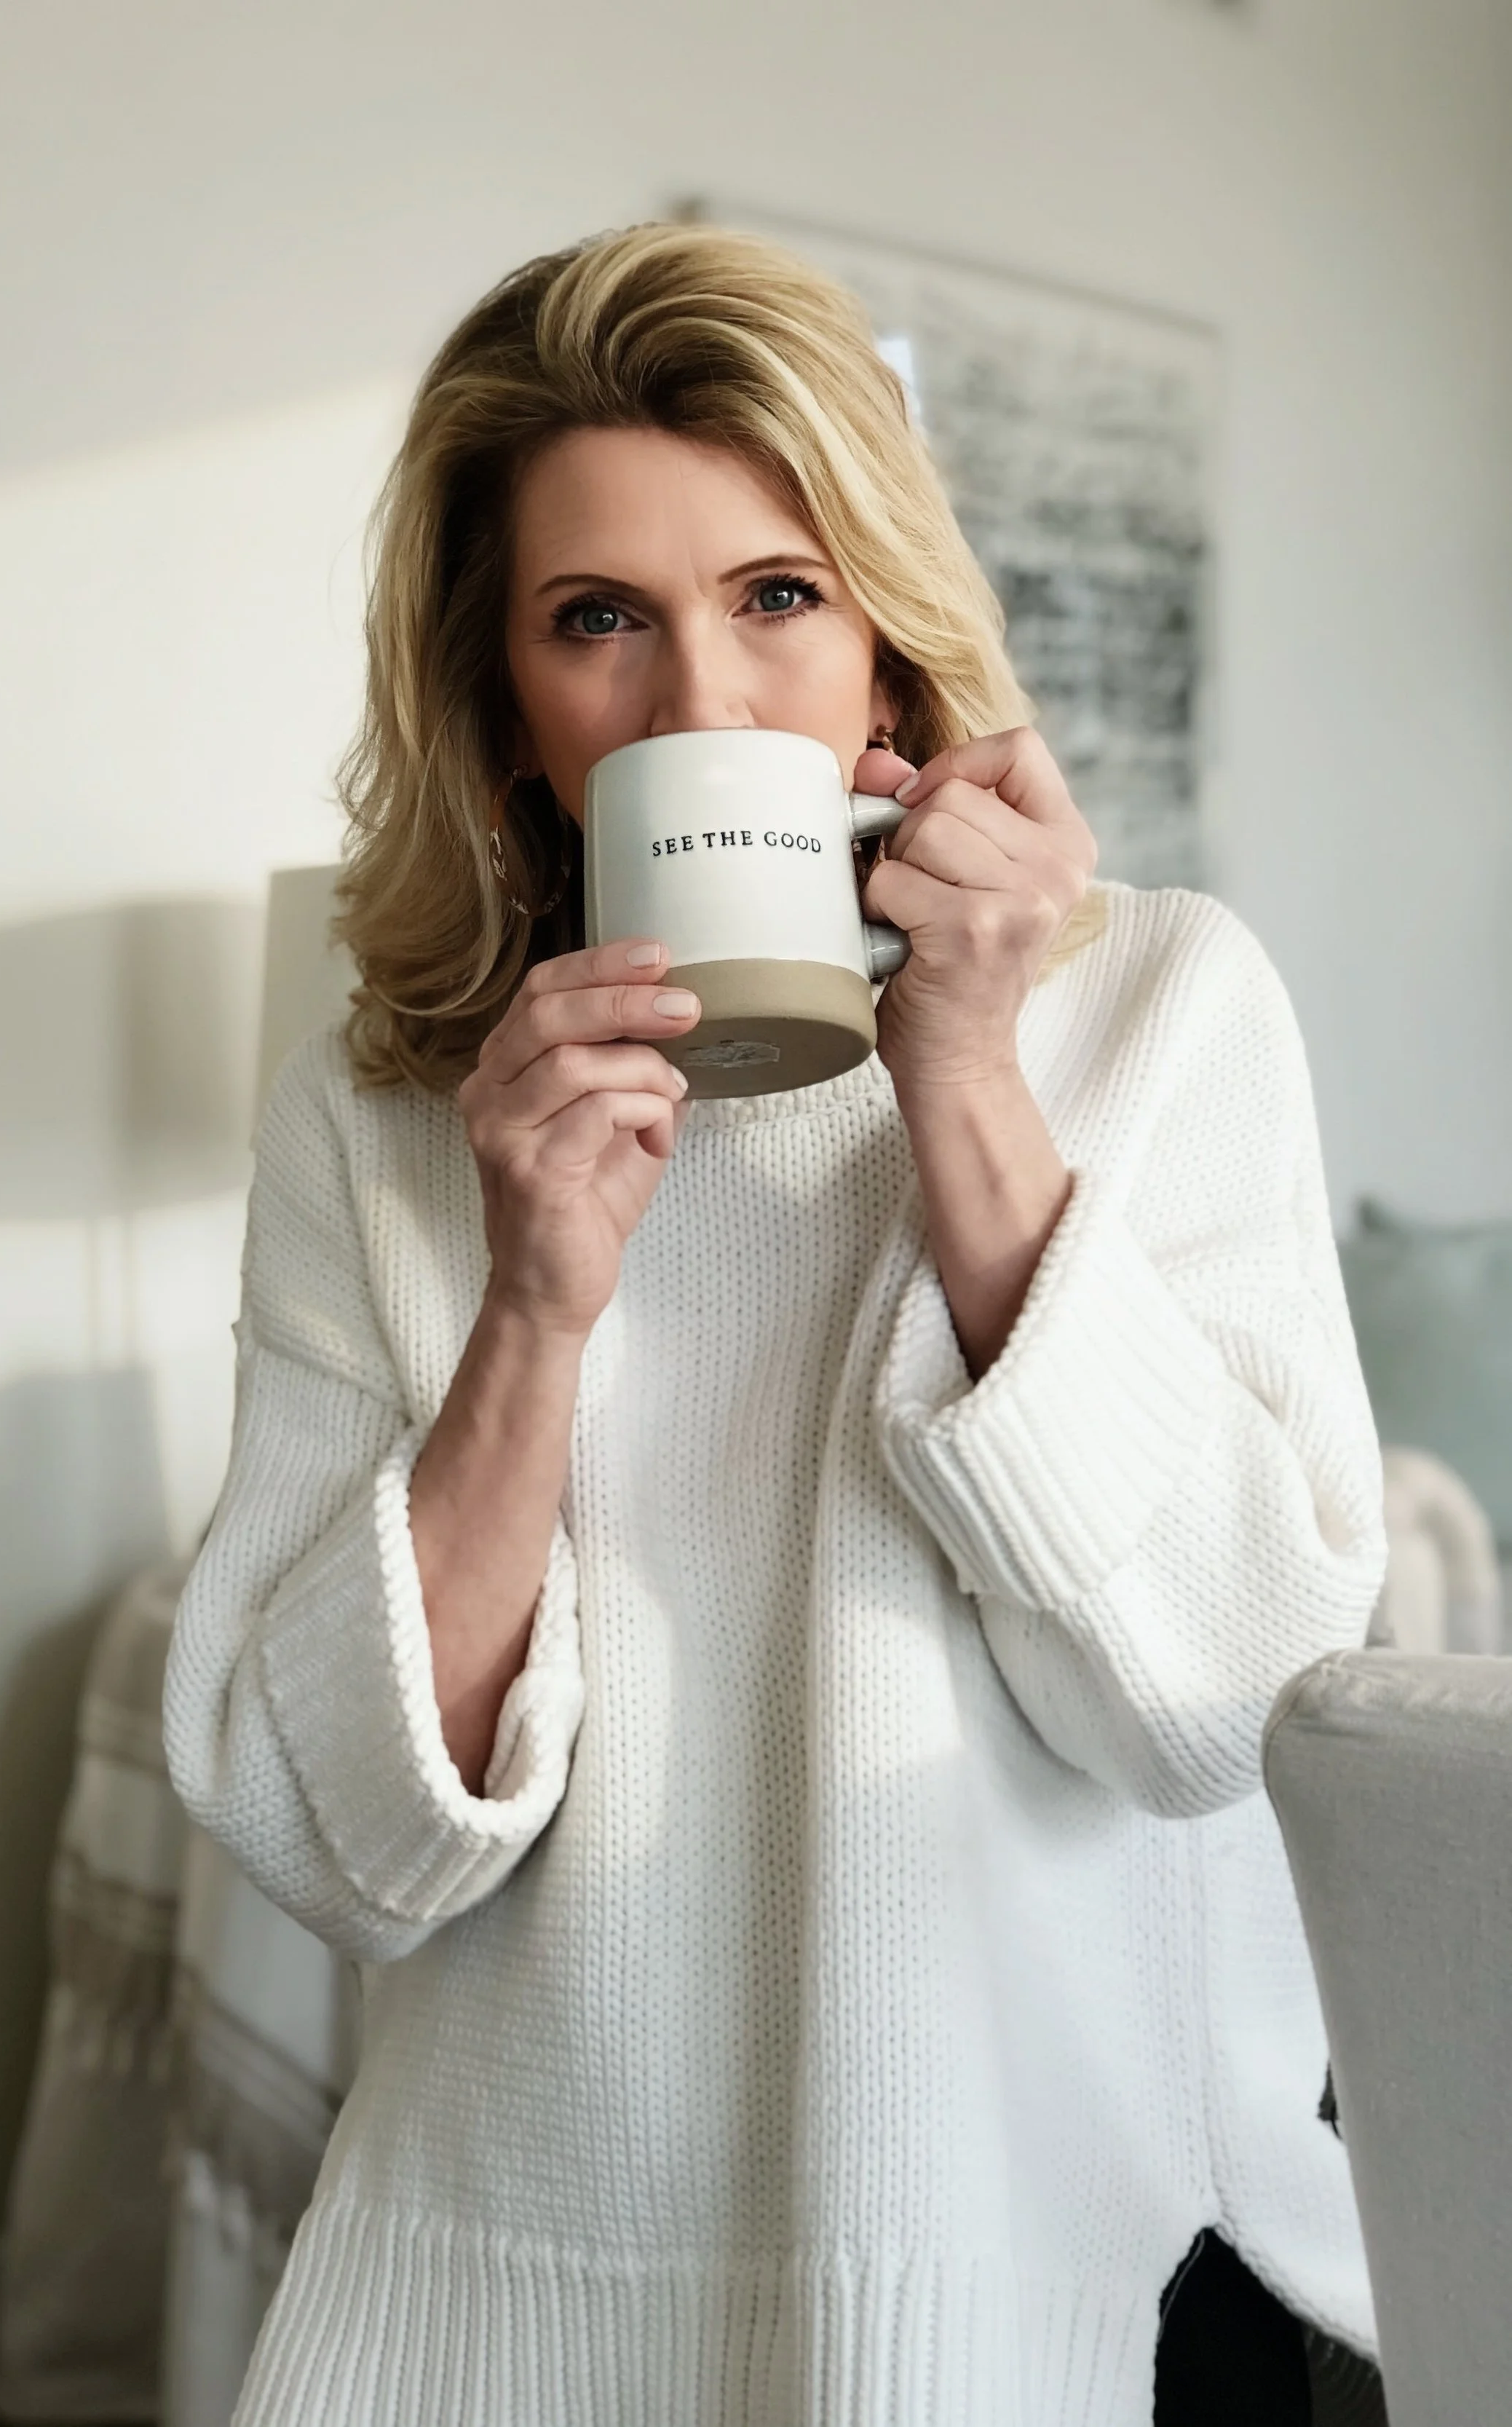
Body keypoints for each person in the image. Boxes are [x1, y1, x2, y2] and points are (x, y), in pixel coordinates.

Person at [165, 223, 1390, 2426]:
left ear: (890, 662)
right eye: (595, 620)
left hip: (1051, 2297)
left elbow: (1216, 1699)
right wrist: (534, 1301)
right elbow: (328, 1843)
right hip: (501, 2312)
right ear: (506, 714)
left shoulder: (1156, 1001)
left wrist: (965, 1082)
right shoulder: (378, 1119)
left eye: (776, 596)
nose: (704, 708)